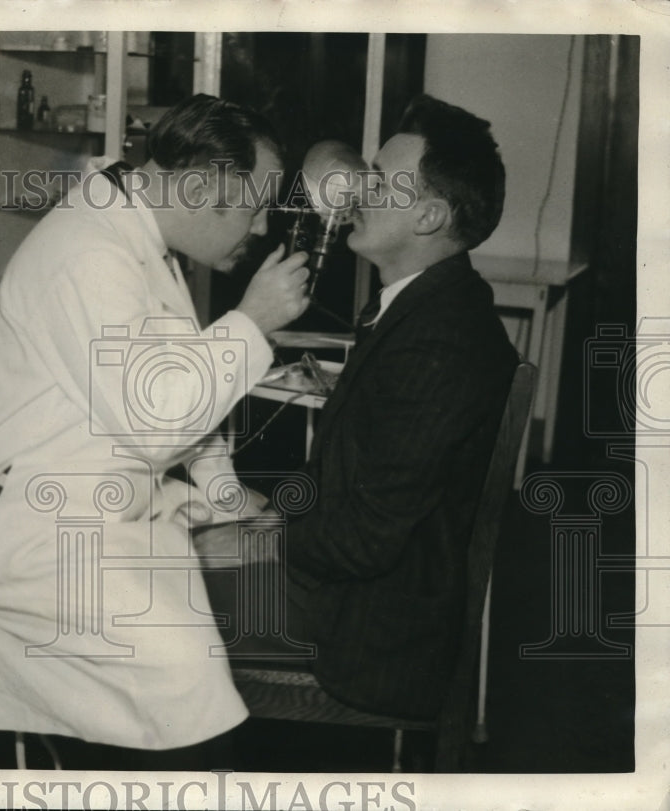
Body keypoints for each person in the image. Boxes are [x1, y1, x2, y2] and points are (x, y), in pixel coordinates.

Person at [0, 94, 310, 766]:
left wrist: (223, 492)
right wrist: (250, 321)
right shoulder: (89, 253)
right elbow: (155, 421)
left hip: (95, 501)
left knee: (214, 612)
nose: (260, 225)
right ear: (209, 185)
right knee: (180, 663)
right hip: (22, 527)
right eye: (253, 205)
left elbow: (179, 377)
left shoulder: (140, 234)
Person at [198, 94, 519, 722]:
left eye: (378, 179)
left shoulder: (440, 342)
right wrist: (258, 523)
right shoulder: (428, 307)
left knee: (118, 594)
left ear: (429, 216)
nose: (355, 189)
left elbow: (362, 542)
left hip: (364, 630)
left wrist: (252, 541)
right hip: (353, 593)